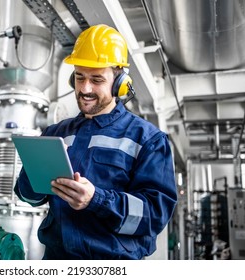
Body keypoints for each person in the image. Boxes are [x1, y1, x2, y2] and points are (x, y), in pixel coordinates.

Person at [14, 24, 178, 260]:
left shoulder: (148, 140)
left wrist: (97, 200)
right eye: (79, 77)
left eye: (97, 79)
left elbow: (153, 216)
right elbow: (28, 196)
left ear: (119, 82)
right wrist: (34, 174)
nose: (85, 88)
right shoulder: (55, 132)